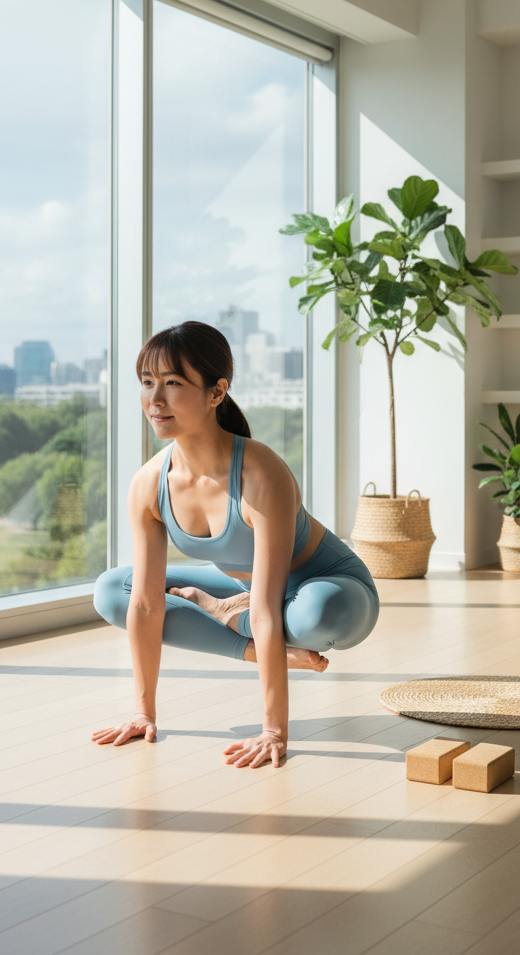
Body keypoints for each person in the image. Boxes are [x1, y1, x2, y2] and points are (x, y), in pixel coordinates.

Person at [92, 321, 379, 769]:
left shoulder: (259, 472)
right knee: (114, 592)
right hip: (248, 589)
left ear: (216, 392)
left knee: (318, 614)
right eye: (147, 383)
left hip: (330, 587)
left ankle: (223, 608)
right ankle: (235, 621)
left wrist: (273, 732)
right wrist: (142, 713)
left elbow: (266, 609)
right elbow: (148, 605)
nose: (155, 399)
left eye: (172, 383)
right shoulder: (149, 483)